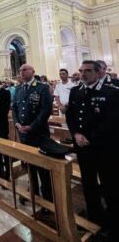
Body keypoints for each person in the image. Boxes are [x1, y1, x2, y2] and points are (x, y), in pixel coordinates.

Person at [66, 60, 119, 240]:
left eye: (88, 71)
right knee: (88, 183)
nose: (83, 74)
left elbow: (112, 122)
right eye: (81, 71)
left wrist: (89, 137)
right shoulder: (75, 91)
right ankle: (95, 215)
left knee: (109, 185)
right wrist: (75, 134)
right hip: (82, 147)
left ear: (98, 73)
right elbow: (70, 116)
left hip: (104, 148)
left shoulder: (111, 93)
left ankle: (112, 223)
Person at [12, 64, 53, 202]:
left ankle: (48, 198)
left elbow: (46, 110)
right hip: (23, 133)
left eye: (25, 70)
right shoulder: (18, 88)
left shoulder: (42, 87)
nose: (22, 72)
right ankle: (33, 191)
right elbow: (14, 108)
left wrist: (32, 126)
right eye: (20, 70)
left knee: (42, 167)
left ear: (33, 72)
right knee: (29, 164)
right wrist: (17, 123)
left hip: (38, 133)